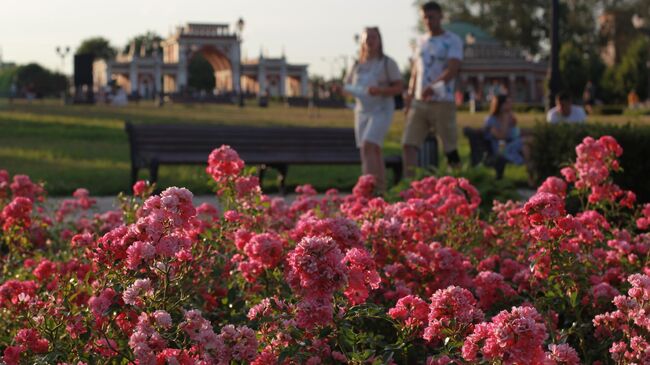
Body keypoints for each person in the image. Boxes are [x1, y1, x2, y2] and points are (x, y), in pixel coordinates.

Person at [402, 1, 463, 177]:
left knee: (449, 146)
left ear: (440, 17)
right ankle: (410, 183)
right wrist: (410, 95)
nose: (428, 21)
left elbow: (453, 68)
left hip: (442, 101)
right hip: (420, 102)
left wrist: (434, 86)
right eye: (425, 18)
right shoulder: (420, 41)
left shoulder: (452, 40)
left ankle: (457, 185)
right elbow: (416, 70)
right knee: (409, 143)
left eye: (432, 17)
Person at [344, 27, 403, 192]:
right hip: (362, 110)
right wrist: (345, 89)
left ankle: (368, 188)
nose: (370, 41)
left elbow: (398, 87)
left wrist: (381, 91)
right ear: (362, 42)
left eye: (373, 38)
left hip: (382, 109)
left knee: (368, 144)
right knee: (372, 149)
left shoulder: (387, 63)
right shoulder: (357, 64)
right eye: (366, 38)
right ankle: (381, 188)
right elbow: (347, 85)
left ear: (379, 41)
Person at [483, 95, 524, 178]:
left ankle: (531, 176)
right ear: (500, 105)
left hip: (511, 144)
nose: (510, 105)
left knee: (527, 147)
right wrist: (505, 120)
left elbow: (514, 133)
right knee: (528, 141)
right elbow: (501, 136)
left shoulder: (509, 117)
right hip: (501, 149)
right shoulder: (491, 120)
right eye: (508, 103)